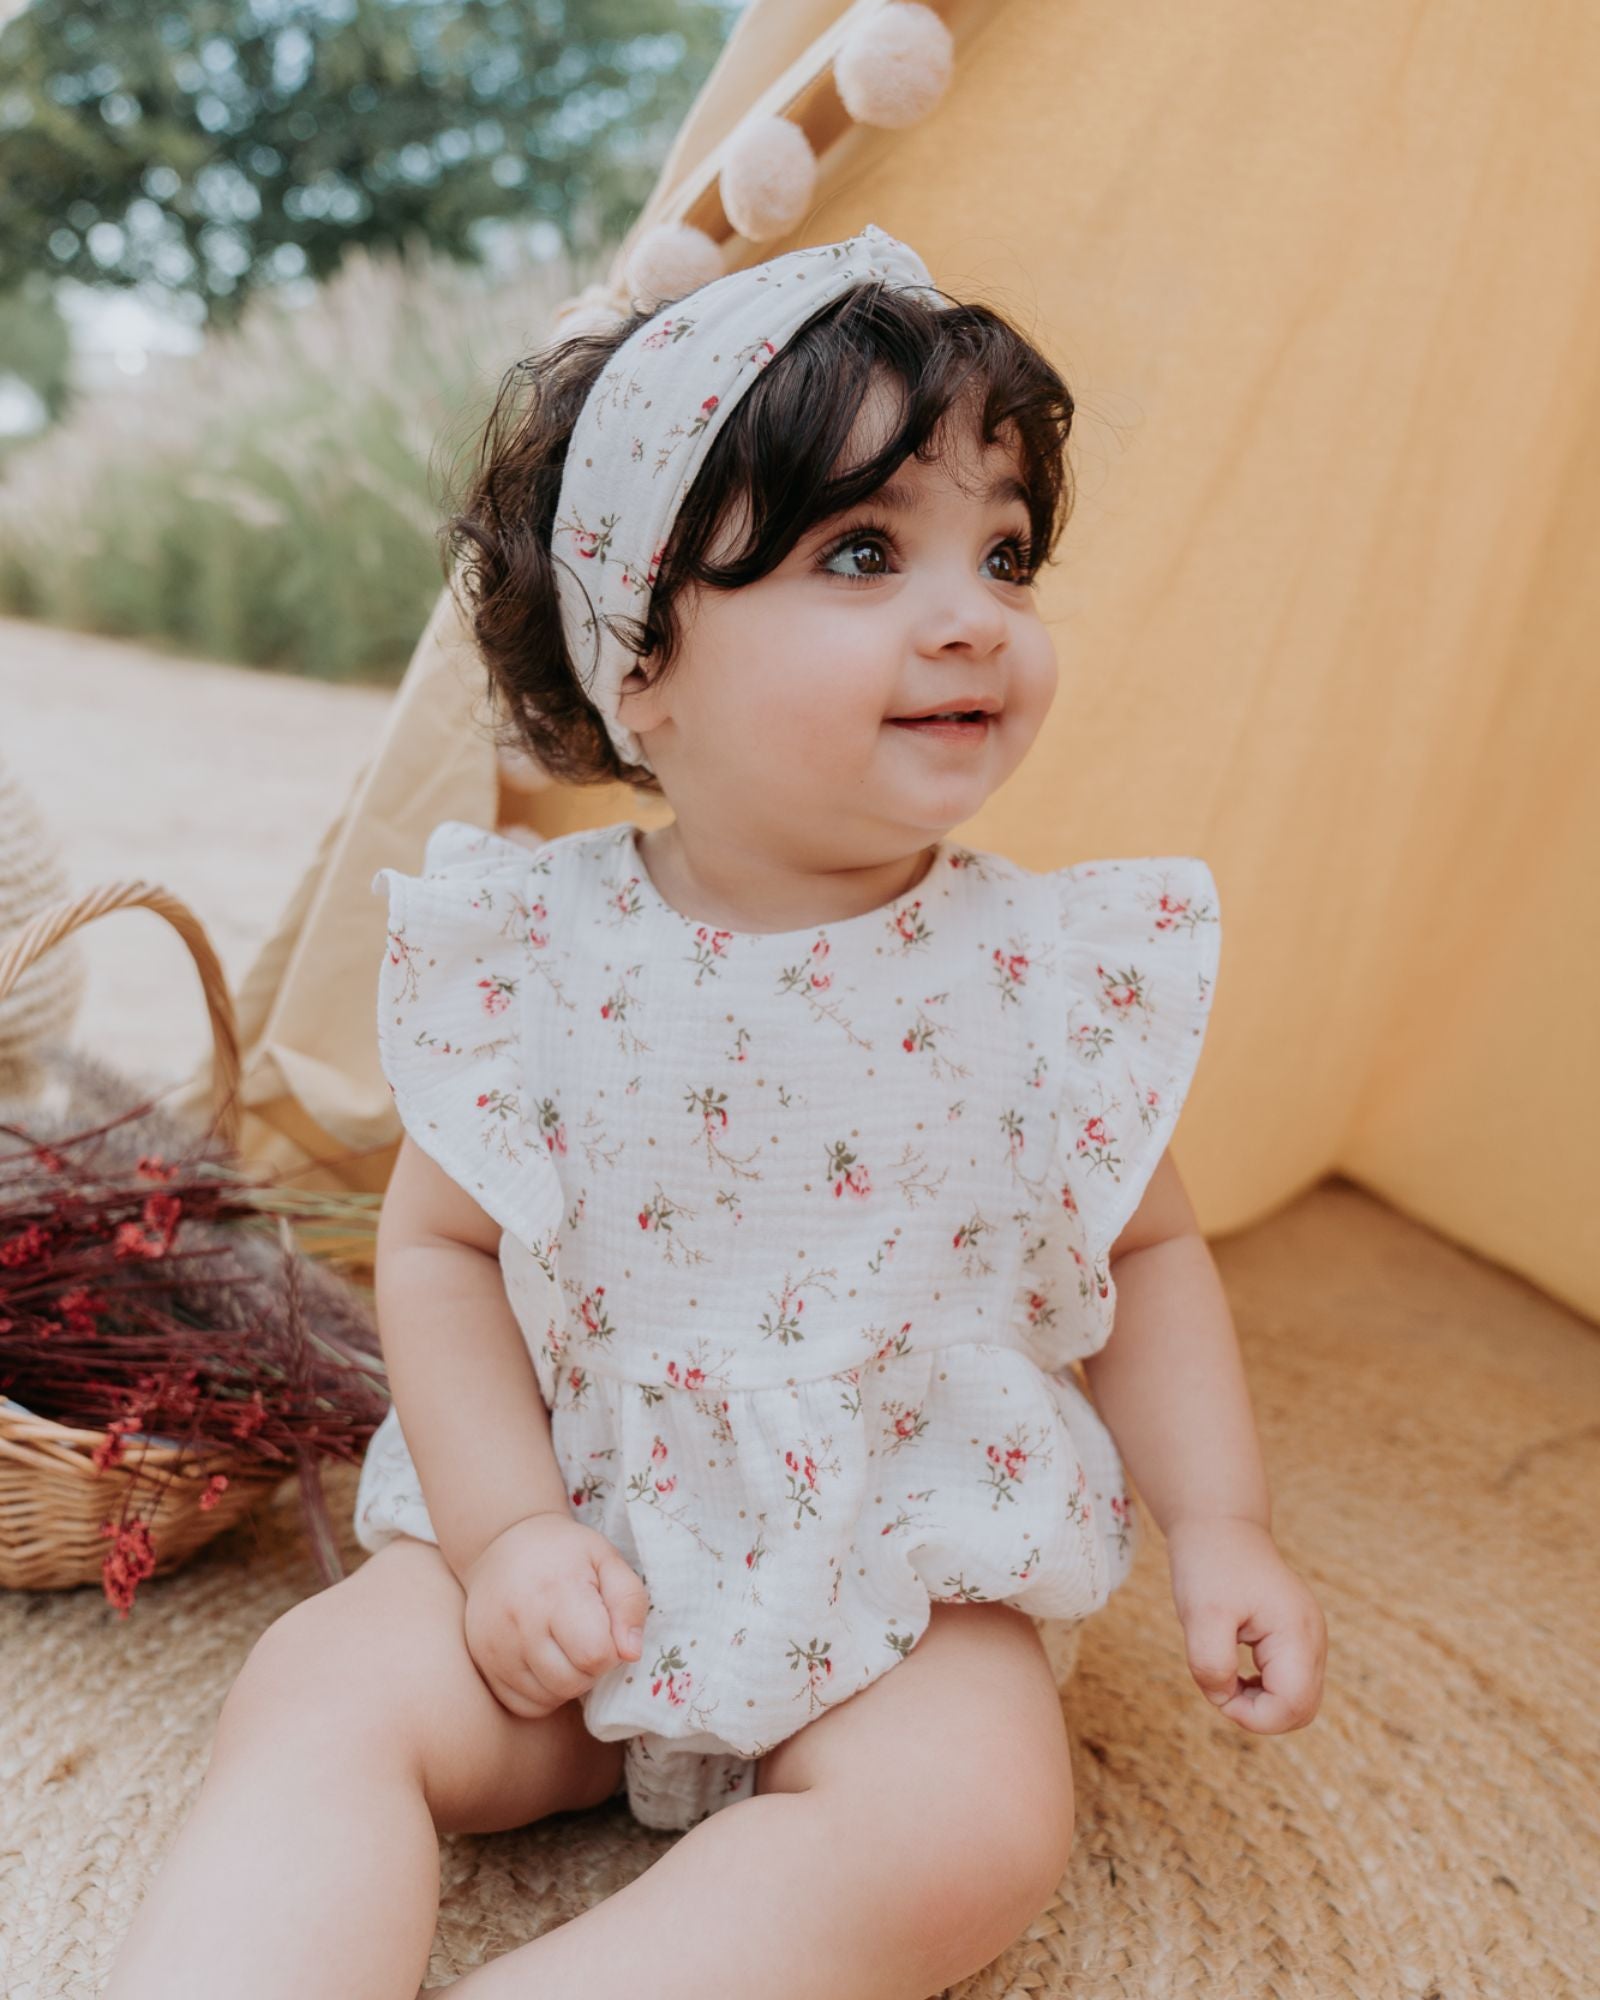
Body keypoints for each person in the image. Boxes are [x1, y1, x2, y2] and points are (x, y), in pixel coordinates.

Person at [103, 222, 1327, 2000]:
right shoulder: (535, 945)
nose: (974, 610)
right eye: (861, 550)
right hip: (590, 1511)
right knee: (324, 1685)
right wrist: (511, 1529)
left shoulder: (1047, 965)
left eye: (1003, 550)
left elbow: (1142, 1241)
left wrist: (1224, 1526)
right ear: (643, 660)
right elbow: (440, 1249)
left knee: (970, 1824)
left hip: (899, 1559)